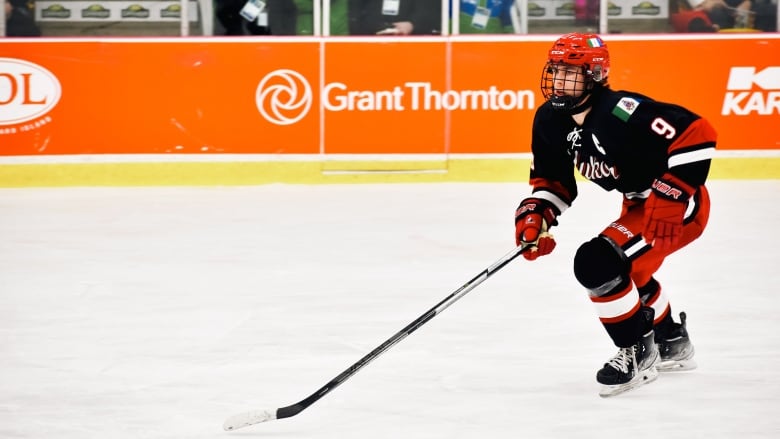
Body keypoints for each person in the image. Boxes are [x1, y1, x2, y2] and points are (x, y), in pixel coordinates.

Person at [513, 33, 716, 397]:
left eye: (570, 72)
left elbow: (697, 133)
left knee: (597, 264)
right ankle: (671, 340)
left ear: (594, 74)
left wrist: (672, 194)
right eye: (555, 70)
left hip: (676, 206)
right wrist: (536, 214)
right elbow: (554, 181)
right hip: (638, 204)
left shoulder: (621, 110)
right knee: (628, 275)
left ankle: (638, 353)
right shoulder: (550, 120)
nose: (558, 80)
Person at [347, 0, 441, 35]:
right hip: (370, 40)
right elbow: (356, 12)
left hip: (412, 43)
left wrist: (413, 25)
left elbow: (431, 9)